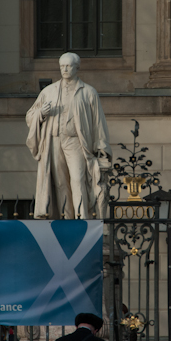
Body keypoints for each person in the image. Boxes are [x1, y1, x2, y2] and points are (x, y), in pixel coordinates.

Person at [26, 52, 112, 219]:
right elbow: (29, 116)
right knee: (60, 183)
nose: (64, 69)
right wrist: (40, 113)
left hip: (76, 141)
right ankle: (66, 218)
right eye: (62, 66)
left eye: (68, 66)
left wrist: (102, 146)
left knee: (78, 179)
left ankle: (81, 218)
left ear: (77, 67)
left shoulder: (88, 92)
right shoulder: (48, 92)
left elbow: (98, 122)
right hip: (54, 140)